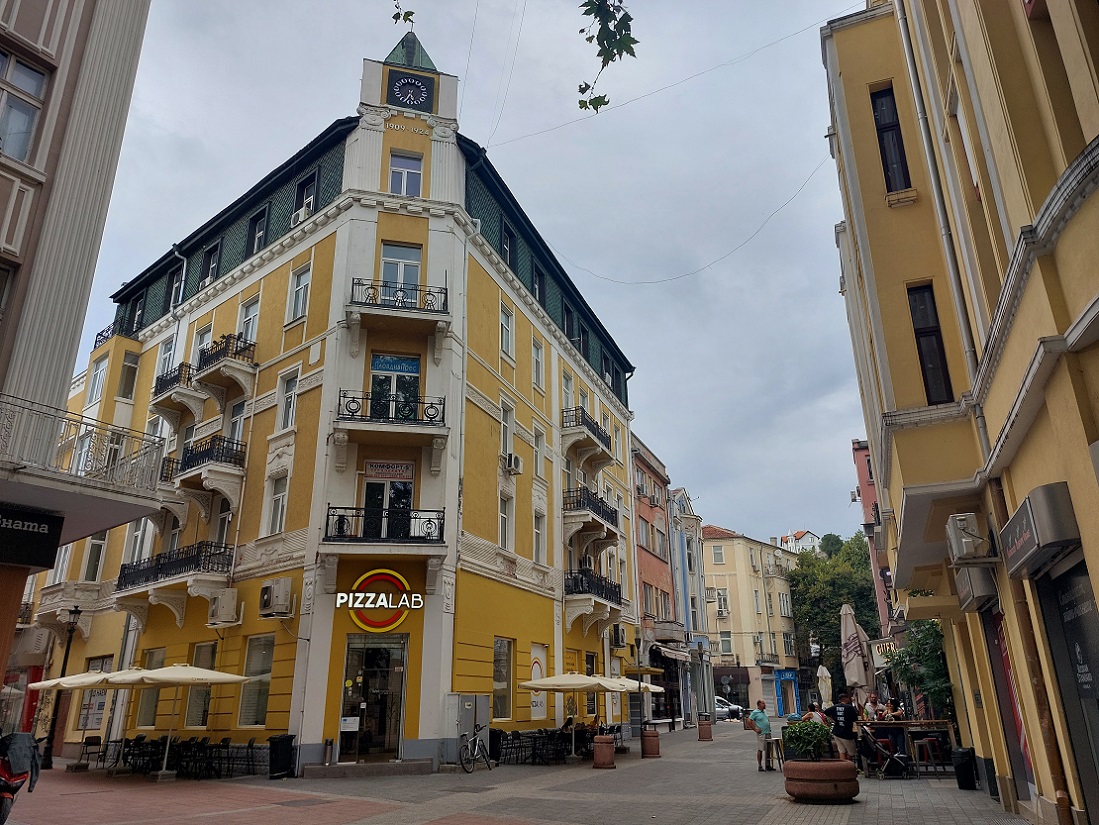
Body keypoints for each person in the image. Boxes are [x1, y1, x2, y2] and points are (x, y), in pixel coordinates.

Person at [824, 693, 860, 763]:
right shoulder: (849, 707)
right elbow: (855, 719)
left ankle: (843, 767)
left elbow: (826, 712)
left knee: (842, 751)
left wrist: (833, 719)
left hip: (836, 732)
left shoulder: (834, 707)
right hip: (846, 733)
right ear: (845, 699)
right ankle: (849, 767)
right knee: (852, 752)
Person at [747, 699, 774, 771]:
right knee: (761, 749)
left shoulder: (764, 712)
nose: (765, 705)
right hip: (761, 733)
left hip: (767, 732)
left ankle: (768, 764)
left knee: (768, 749)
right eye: (763, 703)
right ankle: (760, 765)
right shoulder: (755, 712)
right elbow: (749, 720)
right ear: (759, 705)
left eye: (765, 703)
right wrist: (755, 729)